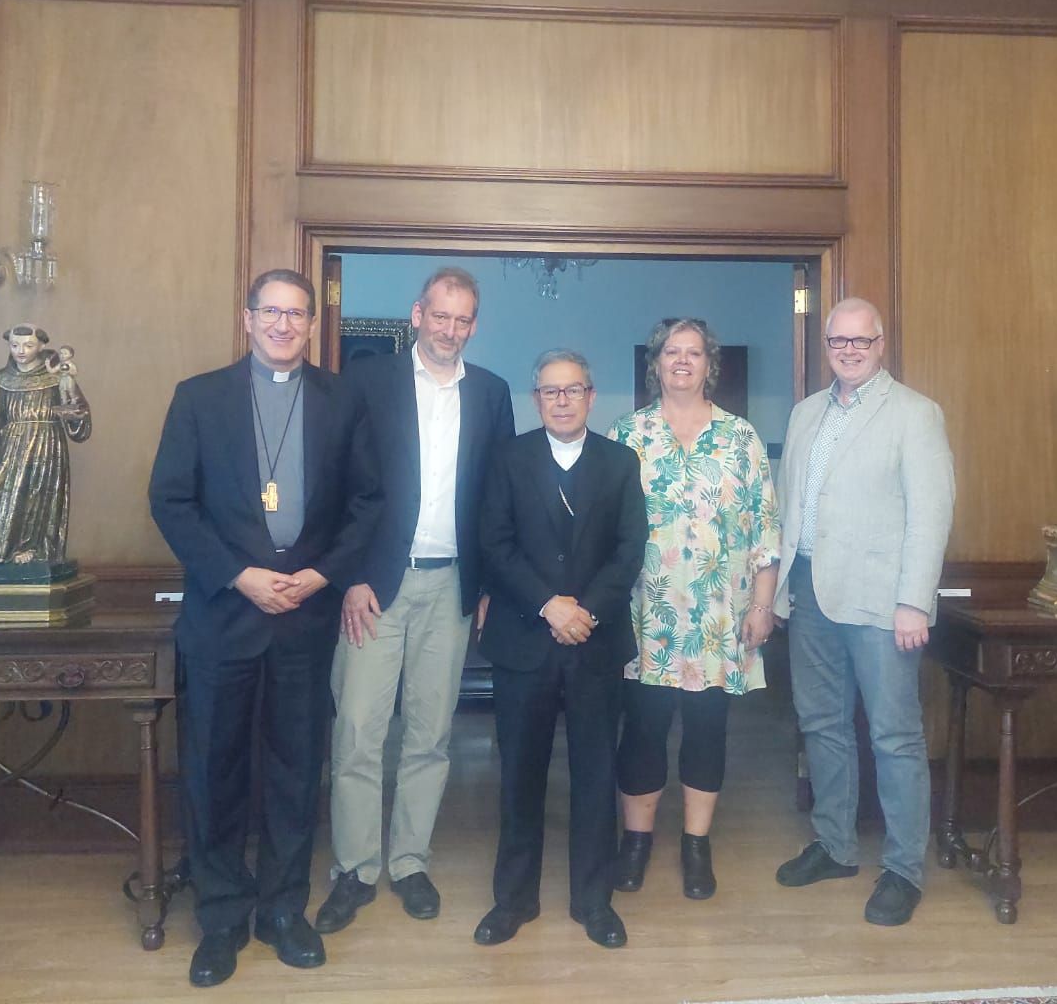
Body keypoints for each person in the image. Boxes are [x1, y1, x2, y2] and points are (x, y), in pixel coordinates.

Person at [148, 269, 377, 987]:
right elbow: (171, 501)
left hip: (304, 618)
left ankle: (284, 910)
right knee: (215, 770)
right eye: (270, 312)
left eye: (297, 314)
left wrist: (322, 575)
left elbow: (369, 503)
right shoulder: (200, 397)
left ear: (313, 325)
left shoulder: (344, 399)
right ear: (246, 319)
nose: (283, 325)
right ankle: (221, 919)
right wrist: (238, 575)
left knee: (293, 770)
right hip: (224, 615)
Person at [318, 266, 515, 933]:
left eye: (463, 320)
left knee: (431, 734)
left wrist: (485, 583)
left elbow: (495, 497)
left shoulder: (491, 393)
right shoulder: (368, 381)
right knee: (358, 731)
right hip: (376, 586)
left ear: (474, 325)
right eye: (440, 316)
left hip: (452, 584)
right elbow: (338, 486)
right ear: (417, 314)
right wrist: (350, 576)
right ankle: (354, 868)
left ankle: (408, 861)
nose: (450, 330)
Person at [773, 297, 954, 927]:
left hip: (882, 602)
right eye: (838, 341)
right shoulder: (804, 415)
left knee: (894, 736)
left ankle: (904, 869)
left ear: (881, 344)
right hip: (809, 591)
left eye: (861, 341)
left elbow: (931, 517)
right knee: (820, 723)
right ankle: (836, 845)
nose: (848, 350)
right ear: (826, 346)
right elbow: (790, 504)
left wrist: (913, 601)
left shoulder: (915, 415)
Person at [474, 350, 647, 950]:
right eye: (551, 391)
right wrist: (550, 606)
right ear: (536, 399)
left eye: (574, 390)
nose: (563, 400)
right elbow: (493, 544)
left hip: (595, 645)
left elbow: (629, 551)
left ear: (592, 397)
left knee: (595, 776)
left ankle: (592, 901)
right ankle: (513, 900)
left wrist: (586, 611)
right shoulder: (508, 458)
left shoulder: (621, 463)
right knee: (519, 777)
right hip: (526, 641)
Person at [607, 317, 780, 901]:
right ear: (654, 364)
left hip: (718, 620)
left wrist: (763, 603)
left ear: (711, 365)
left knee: (707, 733)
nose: (682, 361)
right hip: (644, 619)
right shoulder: (626, 435)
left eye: (695, 352)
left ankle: (696, 845)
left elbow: (764, 528)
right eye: (671, 352)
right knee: (643, 734)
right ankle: (636, 842)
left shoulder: (740, 438)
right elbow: (603, 529)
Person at [0, 323, 91, 566]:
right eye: (15, 345)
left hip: (45, 446)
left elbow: (77, 409)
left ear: (41, 346)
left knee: (36, 495)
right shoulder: (0, 379)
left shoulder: (54, 376)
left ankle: (32, 548)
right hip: (11, 446)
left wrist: (71, 408)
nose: (21, 351)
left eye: (28, 345)